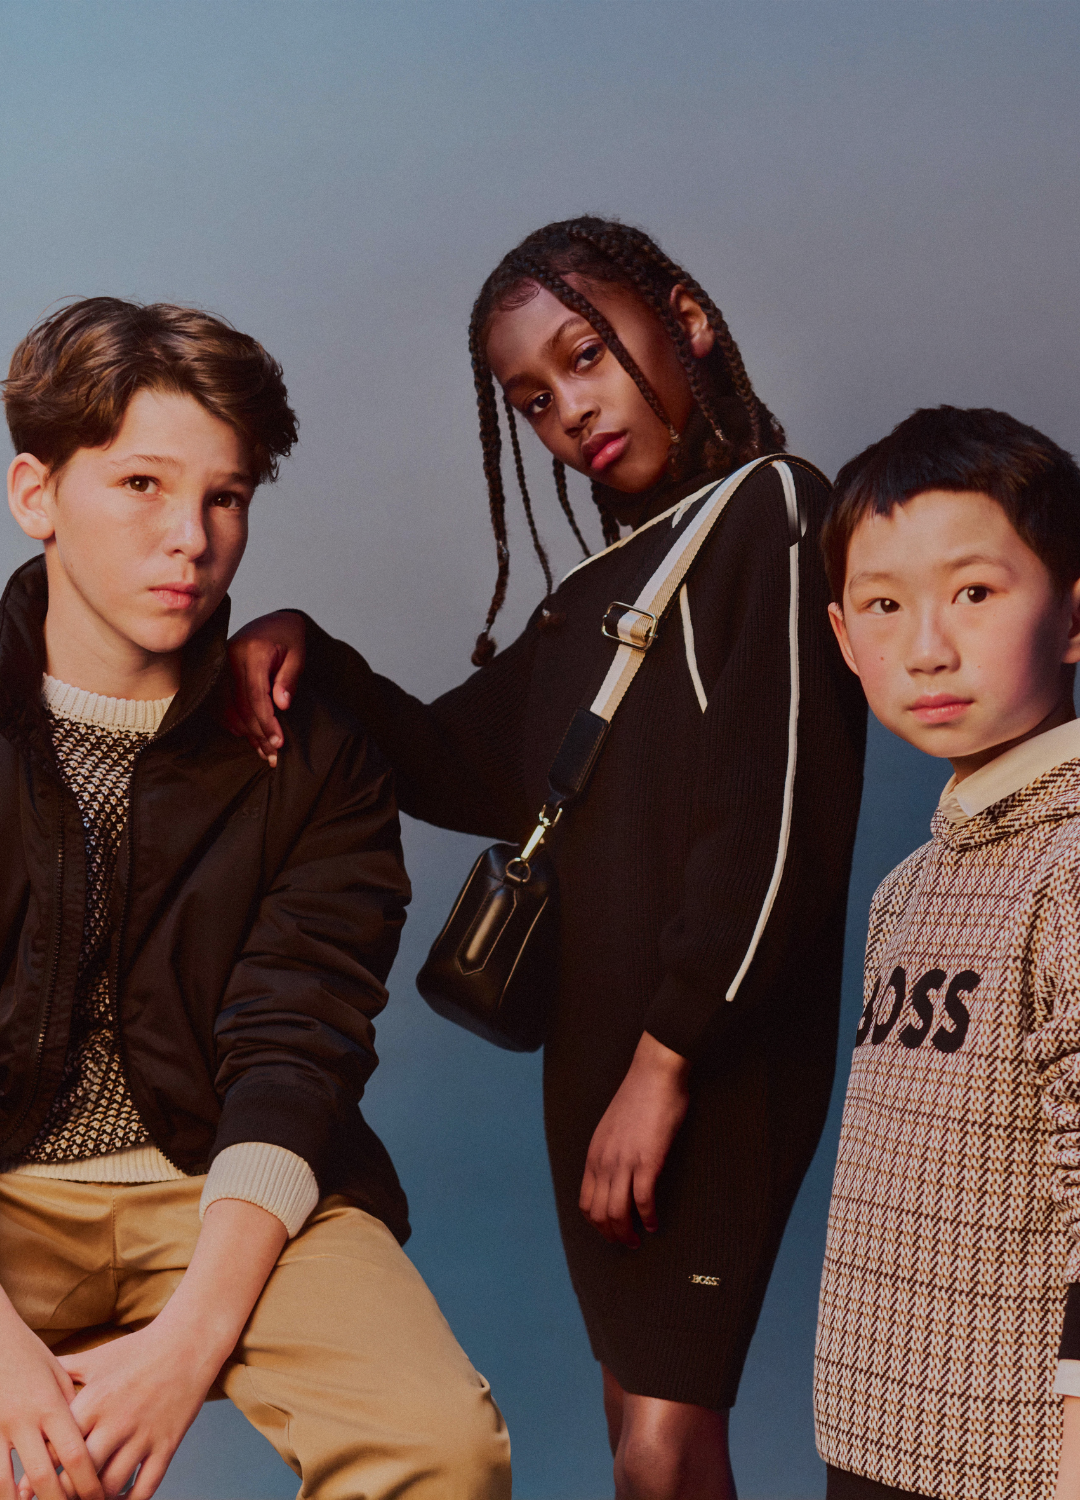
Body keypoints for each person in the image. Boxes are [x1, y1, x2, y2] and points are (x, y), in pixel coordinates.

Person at [227, 216, 867, 1499]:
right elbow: (457, 766)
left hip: (701, 1066)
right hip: (593, 1068)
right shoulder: (603, 591)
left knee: (662, 1449)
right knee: (642, 1432)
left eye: (584, 356)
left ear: (685, 322)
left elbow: (780, 823)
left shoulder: (774, 512)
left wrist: (667, 1065)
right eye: (531, 399)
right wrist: (313, 649)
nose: (567, 411)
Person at [0, 298, 511, 1500]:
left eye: (224, 497)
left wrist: (186, 1347)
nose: (190, 538)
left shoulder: (314, 750)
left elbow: (299, 1042)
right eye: (140, 484)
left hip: (225, 1185)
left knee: (439, 1446)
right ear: (37, 494)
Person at [814, 405, 1080, 1500]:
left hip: (1017, 1460)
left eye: (974, 592)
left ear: (1074, 615)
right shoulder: (909, 888)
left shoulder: (1069, 863)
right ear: (844, 641)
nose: (927, 646)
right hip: (878, 1433)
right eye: (886, 605)